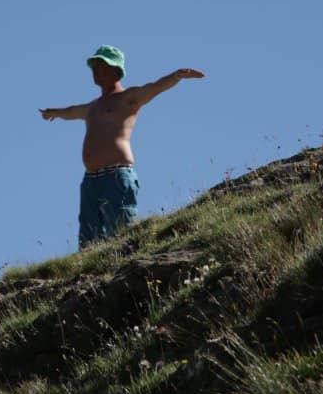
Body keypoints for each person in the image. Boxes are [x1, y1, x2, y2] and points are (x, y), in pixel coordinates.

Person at [39, 45, 205, 248]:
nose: (95, 70)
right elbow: (72, 111)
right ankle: (94, 277)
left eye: (100, 65)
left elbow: (154, 87)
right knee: (88, 237)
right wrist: (54, 113)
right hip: (91, 179)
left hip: (116, 176)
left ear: (115, 69)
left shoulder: (129, 98)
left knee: (122, 233)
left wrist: (177, 75)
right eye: (94, 66)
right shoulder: (92, 106)